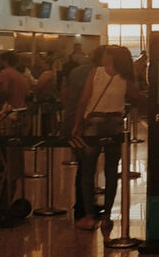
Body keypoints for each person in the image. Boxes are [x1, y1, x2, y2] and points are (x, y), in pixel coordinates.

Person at [72, 46, 143, 230]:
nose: (102, 57)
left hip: (94, 123)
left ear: (110, 57)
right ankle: (107, 217)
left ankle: (89, 216)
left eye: (105, 54)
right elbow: (136, 97)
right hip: (115, 124)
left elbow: (83, 100)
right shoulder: (126, 77)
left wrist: (77, 124)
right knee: (111, 171)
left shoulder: (96, 73)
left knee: (88, 171)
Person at [61, 46, 104, 221]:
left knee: (84, 164)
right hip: (85, 123)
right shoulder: (98, 74)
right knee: (87, 166)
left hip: (72, 119)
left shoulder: (76, 71)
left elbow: (66, 94)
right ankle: (83, 207)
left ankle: (84, 203)